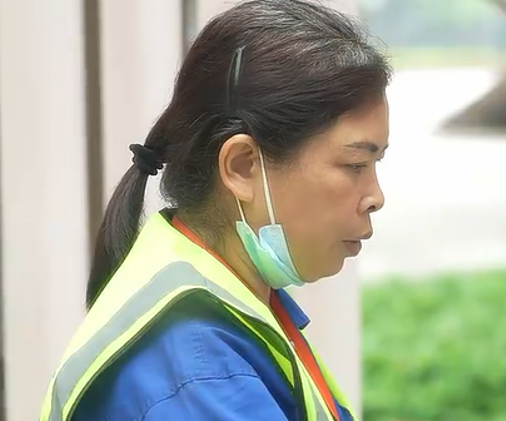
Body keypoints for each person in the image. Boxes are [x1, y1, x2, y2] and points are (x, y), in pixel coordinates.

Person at [39, 0, 391, 420]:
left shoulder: (223, 304)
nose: (375, 196)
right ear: (242, 167)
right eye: (355, 165)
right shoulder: (196, 372)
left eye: (376, 163)